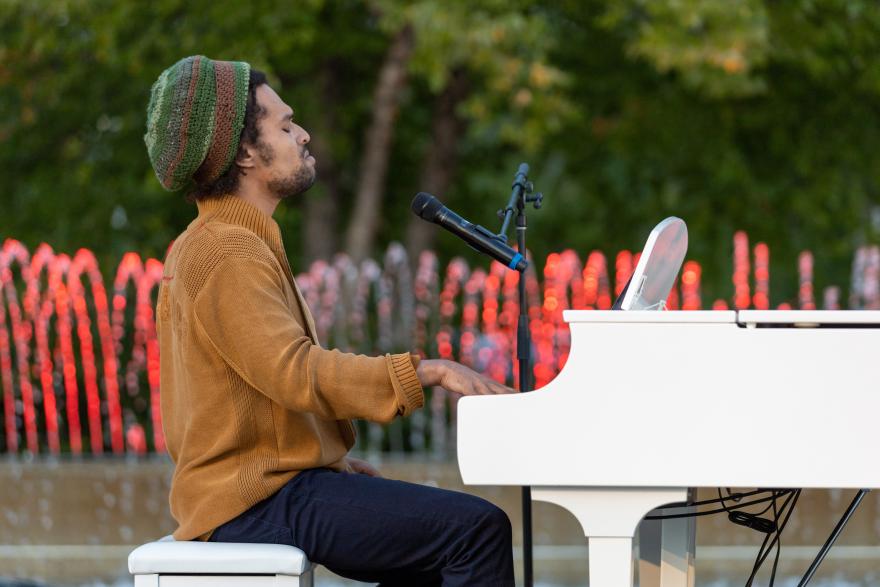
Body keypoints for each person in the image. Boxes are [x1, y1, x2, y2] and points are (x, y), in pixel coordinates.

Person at [145, 55, 516, 586]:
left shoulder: (223, 243)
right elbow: (295, 372)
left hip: (266, 495)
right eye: (286, 124)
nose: (303, 134)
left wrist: (328, 465)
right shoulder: (227, 250)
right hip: (255, 506)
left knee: (433, 552)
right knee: (475, 532)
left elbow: (253, 396)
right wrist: (427, 372)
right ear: (246, 152)